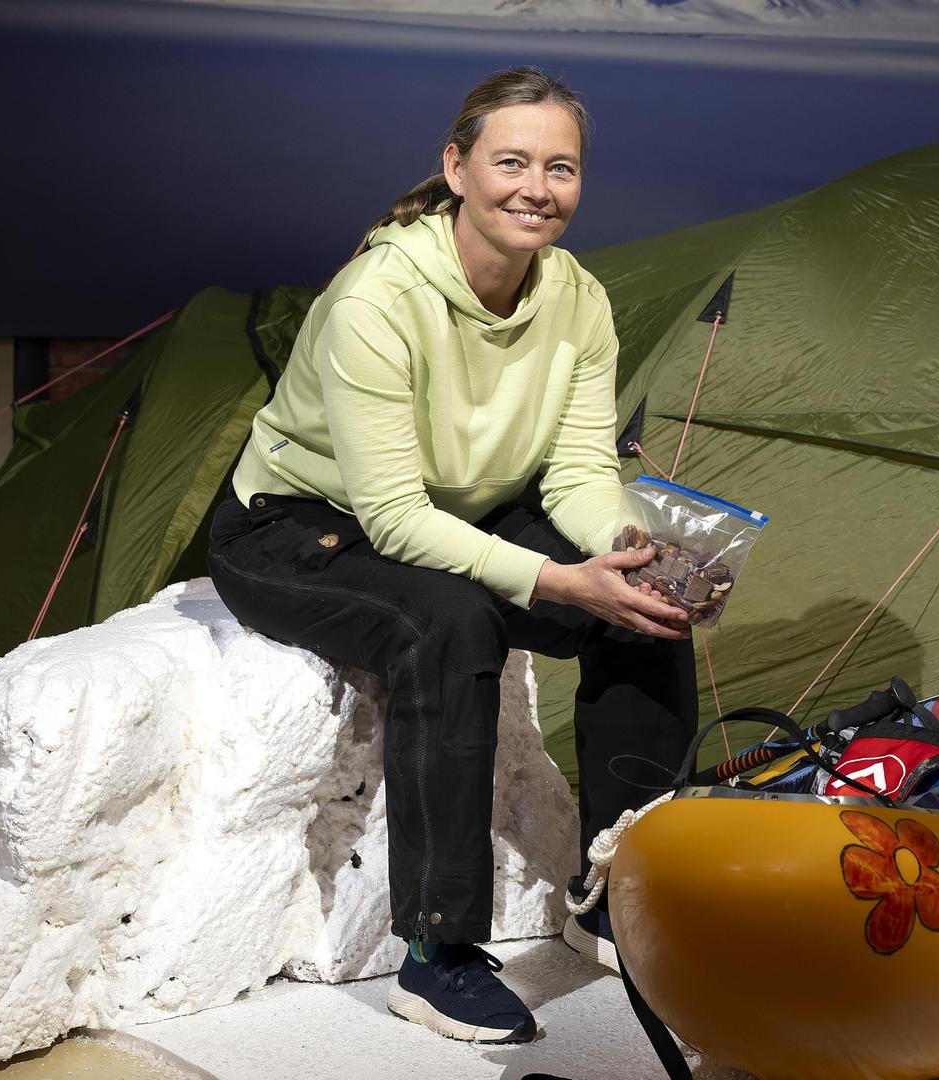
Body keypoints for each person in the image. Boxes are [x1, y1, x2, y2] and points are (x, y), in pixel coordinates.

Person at [204, 67, 698, 1044]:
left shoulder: (578, 299)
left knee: (644, 610)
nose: (536, 187)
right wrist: (557, 578)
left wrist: (624, 547)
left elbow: (578, 474)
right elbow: (391, 520)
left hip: (459, 510)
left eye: (561, 168)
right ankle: (436, 955)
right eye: (511, 161)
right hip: (297, 526)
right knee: (449, 620)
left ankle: (619, 893)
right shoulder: (378, 297)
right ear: (457, 167)